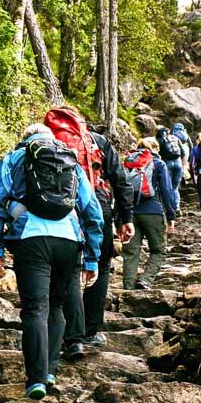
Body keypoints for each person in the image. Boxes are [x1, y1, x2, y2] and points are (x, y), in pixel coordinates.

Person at [0, 124, 104, 400]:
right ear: (52, 140)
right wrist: (93, 257)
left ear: (25, 139)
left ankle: (36, 378)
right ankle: (50, 370)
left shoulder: (15, 158)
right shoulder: (71, 159)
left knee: (35, 308)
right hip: (70, 240)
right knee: (57, 305)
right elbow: (92, 208)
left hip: (31, 238)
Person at [53, 113, 134, 354]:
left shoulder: (46, 140)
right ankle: (90, 330)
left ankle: (65, 331)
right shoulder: (97, 140)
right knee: (100, 263)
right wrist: (125, 219)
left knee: (67, 267)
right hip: (97, 204)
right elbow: (121, 181)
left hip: (60, 207)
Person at [121, 137, 177, 290]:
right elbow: (167, 190)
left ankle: (128, 285)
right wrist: (171, 215)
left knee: (131, 251)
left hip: (130, 213)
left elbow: (118, 189)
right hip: (153, 211)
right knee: (159, 250)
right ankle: (145, 280)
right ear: (155, 149)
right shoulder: (158, 163)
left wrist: (119, 217)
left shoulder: (128, 162)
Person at [155, 126, 184, 213]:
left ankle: (169, 208)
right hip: (178, 163)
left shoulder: (159, 140)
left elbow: (157, 153)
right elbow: (183, 151)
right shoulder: (175, 138)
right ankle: (177, 207)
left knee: (167, 186)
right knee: (175, 187)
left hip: (167, 163)